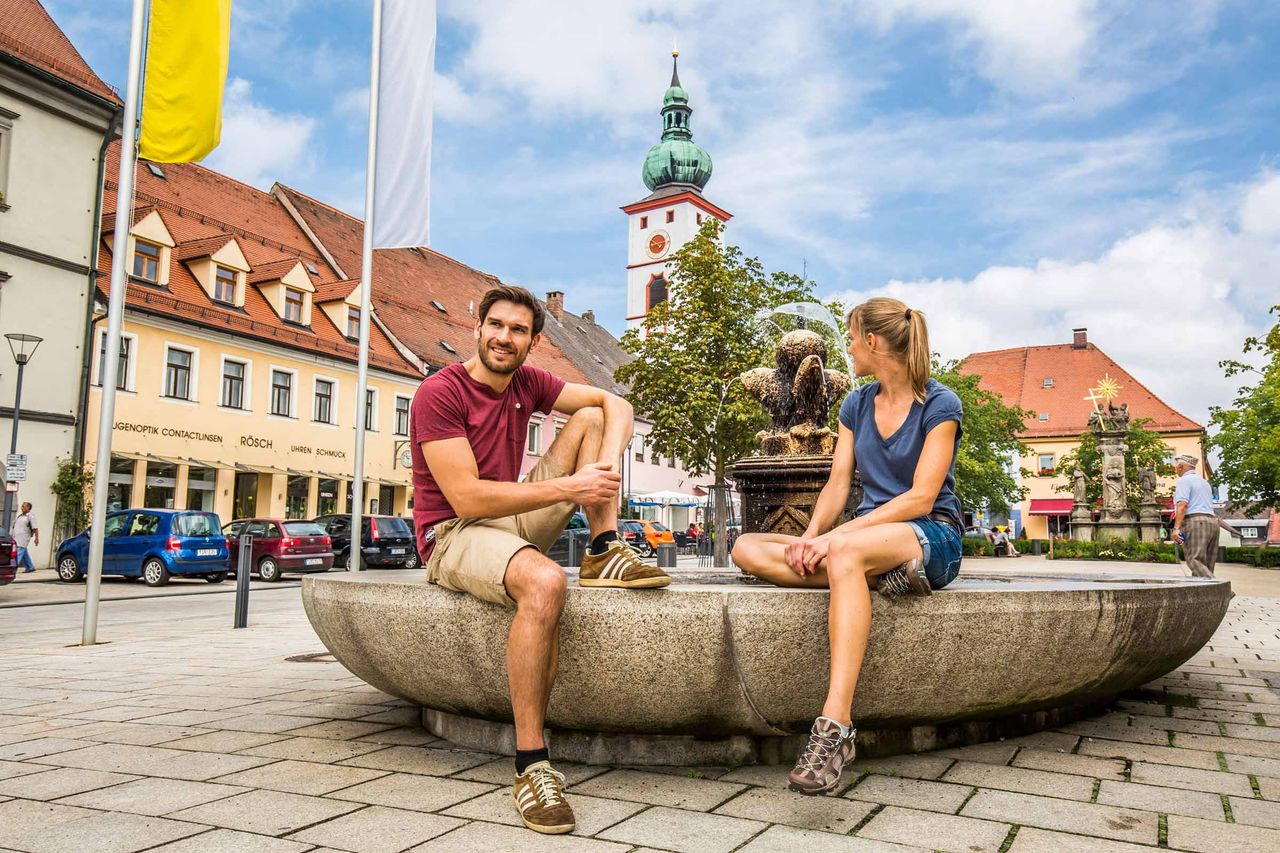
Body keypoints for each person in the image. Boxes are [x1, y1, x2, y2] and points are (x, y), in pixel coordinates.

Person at [411, 285, 670, 835]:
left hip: (508, 518)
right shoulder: (440, 392)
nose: (505, 337)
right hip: (453, 531)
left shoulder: (528, 381)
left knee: (595, 419)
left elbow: (616, 403)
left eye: (519, 330)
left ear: (533, 341)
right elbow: (469, 500)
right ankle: (532, 765)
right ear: (477, 327)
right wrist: (573, 485)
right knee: (546, 580)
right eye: (497, 325)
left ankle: (603, 549)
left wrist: (602, 471)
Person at [732, 297, 963, 796]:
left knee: (844, 553)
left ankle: (835, 727)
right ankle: (883, 576)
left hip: (930, 533)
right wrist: (812, 536)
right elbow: (839, 485)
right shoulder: (855, 404)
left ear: (873, 341)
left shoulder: (940, 404)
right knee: (747, 548)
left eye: (852, 335)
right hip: (863, 542)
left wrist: (838, 540)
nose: (849, 346)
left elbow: (921, 496)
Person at [1171, 454, 1222, 578]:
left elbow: (1182, 505)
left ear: (1181, 467)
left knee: (1194, 560)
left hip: (1195, 522)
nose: (1176, 469)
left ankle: (1219, 589)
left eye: (1176, 467)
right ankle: (1204, 595)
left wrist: (1176, 528)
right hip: (1212, 522)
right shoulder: (1205, 483)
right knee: (1207, 564)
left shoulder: (1184, 481)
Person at [13, 501, 38, 573]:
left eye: (24, 506)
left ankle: (13, 568)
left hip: (24, 538)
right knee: (24, 552)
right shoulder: (20, 516)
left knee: (19, 553)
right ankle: (30, 567)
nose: (22, 508)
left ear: (28, 507)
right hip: (17, 538)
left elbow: (35, 528)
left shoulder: (30, 516)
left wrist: (36, 538)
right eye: (22, 506)